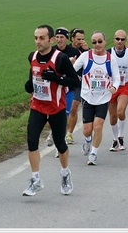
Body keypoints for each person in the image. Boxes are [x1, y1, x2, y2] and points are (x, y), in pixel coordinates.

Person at [23, 24, 79, 196]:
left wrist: (56, 78)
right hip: (38, 106)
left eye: (41, 38)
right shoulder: (32, 56)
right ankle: (35, 179)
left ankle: (65, 173)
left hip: (56, 108)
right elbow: (33, 76)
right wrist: (29, 85)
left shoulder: (60, 58)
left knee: (60, 143)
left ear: (51, 39)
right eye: (35, 38)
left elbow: (74, 81)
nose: (38, 42)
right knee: (32, 141)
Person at [73, 30, 120, 165]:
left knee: (98, 127)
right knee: (87, 130)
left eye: (100, 41)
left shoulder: (111, 58)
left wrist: (114, 87)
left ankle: (94, 153)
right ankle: (88, 140)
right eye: (94, 42)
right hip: (88, 97)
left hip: (104, 97)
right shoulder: (85, 56)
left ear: (105, 42)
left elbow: (116, 78)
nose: (97, 44)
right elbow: (72, 70)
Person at [107, 30, 128, 151]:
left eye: (122, 39)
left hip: (124, 85)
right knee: (112, 116)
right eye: (118, 39)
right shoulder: (108, 53)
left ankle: (121, 136)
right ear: (114, 39)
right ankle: (115, 140)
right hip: (111, 87)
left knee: (120, 111)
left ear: (126, 40)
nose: (120, 41)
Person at [50, 27, 80, 157]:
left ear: (66, 39)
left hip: (68, 90)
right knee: (49, 119)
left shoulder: (74, 51)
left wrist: (76, 72)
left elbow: (81, 67)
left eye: (62, 37)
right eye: (57, 37)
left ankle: (59, 146)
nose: (59, 40)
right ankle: (54, 133)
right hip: (54, 89)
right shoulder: (51, 52)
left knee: (63, 117)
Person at [66, 28, 89, 146]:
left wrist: (88, 50)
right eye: (78, 39)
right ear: (72, 39)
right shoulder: (66, 50)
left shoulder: (84, 51)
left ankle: (69, 133)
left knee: (74, 107)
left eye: (82, 39)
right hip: (65, 83)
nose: (81, 41)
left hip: (79, 83)